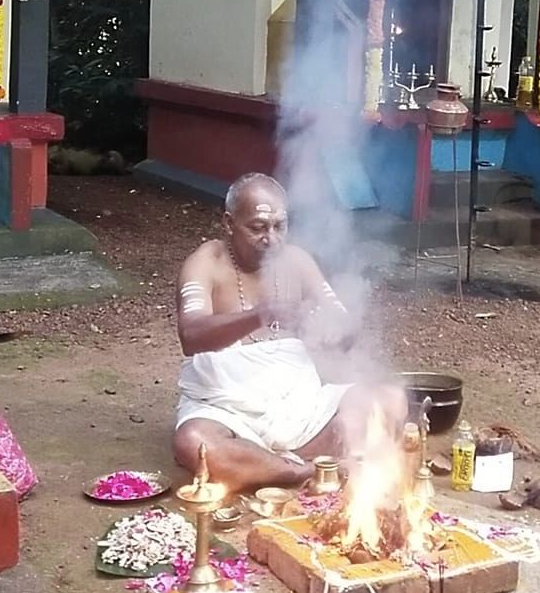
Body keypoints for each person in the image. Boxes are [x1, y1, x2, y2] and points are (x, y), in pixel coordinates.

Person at [171, 173, 406, 490]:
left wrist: (329, 329)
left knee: (389, 399)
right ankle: (302, 472)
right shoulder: (207, 262)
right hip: (227, 411)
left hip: (300, 407)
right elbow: (191, 335)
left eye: (279, 226)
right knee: (193, 442)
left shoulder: (296, 261)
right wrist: (260, 315)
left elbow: (345, 327)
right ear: (229, 223)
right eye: (257, 227)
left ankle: (264, 464)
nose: (271, 238)